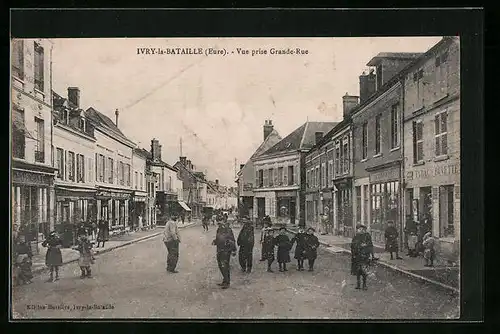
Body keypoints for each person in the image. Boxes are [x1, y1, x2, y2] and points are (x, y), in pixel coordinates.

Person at [212, 217, 237, 289]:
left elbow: (232, 239)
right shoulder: (219, 229)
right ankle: (225, 280)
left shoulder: (228, 230)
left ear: (224, 221)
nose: (219, 223)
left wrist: (234, 250)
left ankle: (227, 282)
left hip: (226, 250)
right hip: (219, 249)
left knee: (224, 266)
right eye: (218, 222)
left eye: (220, 221)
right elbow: (218, 238)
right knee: (220, 265)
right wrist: (215, 241)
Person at [351, 224, 371, 290]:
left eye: (362, 229)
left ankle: (364, 285)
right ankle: (358, 284)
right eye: (360, 229)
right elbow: (352, 246)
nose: (361, 230)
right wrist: (354, 253)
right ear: (357, 230)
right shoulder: (355, 237)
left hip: (364, 256)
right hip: (357, 256)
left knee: (364, 271)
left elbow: (370, 245)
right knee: (358, 271)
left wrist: (366, 247)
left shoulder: (367, 236)